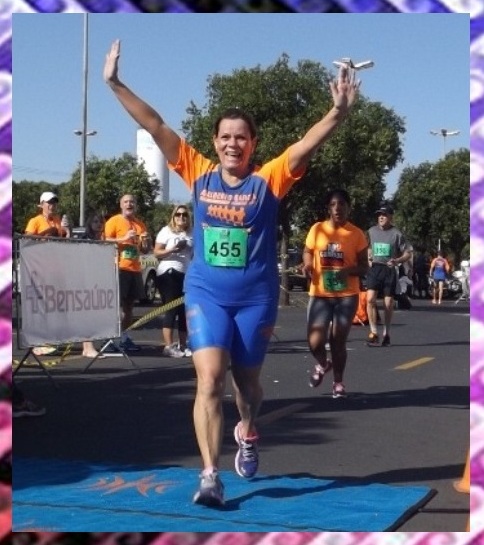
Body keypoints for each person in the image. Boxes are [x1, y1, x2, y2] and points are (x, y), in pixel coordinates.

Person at [104, 38, 359, 507]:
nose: (232, 143)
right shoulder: (198, 172)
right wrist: (115, 83)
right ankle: (209, 475)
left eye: (241, 137)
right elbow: (155, 124)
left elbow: (306, 145)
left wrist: (338, 113)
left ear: (252, 144)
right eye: (225, 136)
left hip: (255, 299)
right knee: (209, 380)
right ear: (215, 141)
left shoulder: (269, 180)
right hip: (206, 293)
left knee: (248, 387)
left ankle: (247, 428)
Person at [302, 189, 368, 398]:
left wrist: (348, 271)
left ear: (348, 207)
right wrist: (307, 265)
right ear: (328, 208)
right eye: (333, 204)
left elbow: (364, 266)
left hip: (346, 295)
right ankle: (323, 364)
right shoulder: (317, 229)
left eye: (342, 204)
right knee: (314, 341)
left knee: (338, 340)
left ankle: (338, 382)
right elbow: (307, 251)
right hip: (320, 294)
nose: (337, 208)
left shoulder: (356, 234)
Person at [25, 191, 71, 356]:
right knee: (40, 305)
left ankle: (50, 338)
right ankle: (38, 342)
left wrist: (67, 231)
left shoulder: (58, 220)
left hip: (56, 268)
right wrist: (46, 233)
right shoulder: (35, 221)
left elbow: (64, 242)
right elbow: (26, 241)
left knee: (53, 305)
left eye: (54, 202)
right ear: (41, 205)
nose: (52, 205)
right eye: (49, 202)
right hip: (40, 268)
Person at [104, 194, 152, 351]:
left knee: (129, 307)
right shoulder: (114, 221)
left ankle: (124, 337)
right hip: (119, 267)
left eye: (132, 202)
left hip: (135, 268)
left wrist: (146, 242)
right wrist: (124, 238)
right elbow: (105, 240)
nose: (129, 204)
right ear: (121, 205)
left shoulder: (140, 224)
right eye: (126, 202)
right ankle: (110, 340)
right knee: (115, 306)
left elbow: (144, 250)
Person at [366, 202, 412, 347]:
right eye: (379, 215)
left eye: (384, 215)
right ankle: (373, 332)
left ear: (390, 217)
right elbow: (367, 247)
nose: (381, 217)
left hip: (389, 270)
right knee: (370, 299)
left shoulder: (396, 234)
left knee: (388, 303)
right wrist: (368, 257)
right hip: (375, 268)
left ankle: (386, 333)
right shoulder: (371, 231)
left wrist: (397, 260)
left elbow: (408, 253)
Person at [153, 205, 194, 358]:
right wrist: (173, 249)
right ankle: (168, 346)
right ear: (173, 216)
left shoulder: (192, 233)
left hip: (185, 272)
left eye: (184, 215)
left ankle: (183, 344)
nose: (181, 217)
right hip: (169, 271)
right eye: (178, 214)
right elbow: (157, 252)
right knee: (171, 308)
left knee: (184, 310)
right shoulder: (166, 231)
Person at [80, 212, 107, 358]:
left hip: (98, 280)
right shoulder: (85, 240)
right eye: (95, 222)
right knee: (87, 314)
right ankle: (88, 347)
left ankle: (88, 346)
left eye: (101, 222)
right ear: (89, 224)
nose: (98, 224)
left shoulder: (102, 240)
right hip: (85, 280)